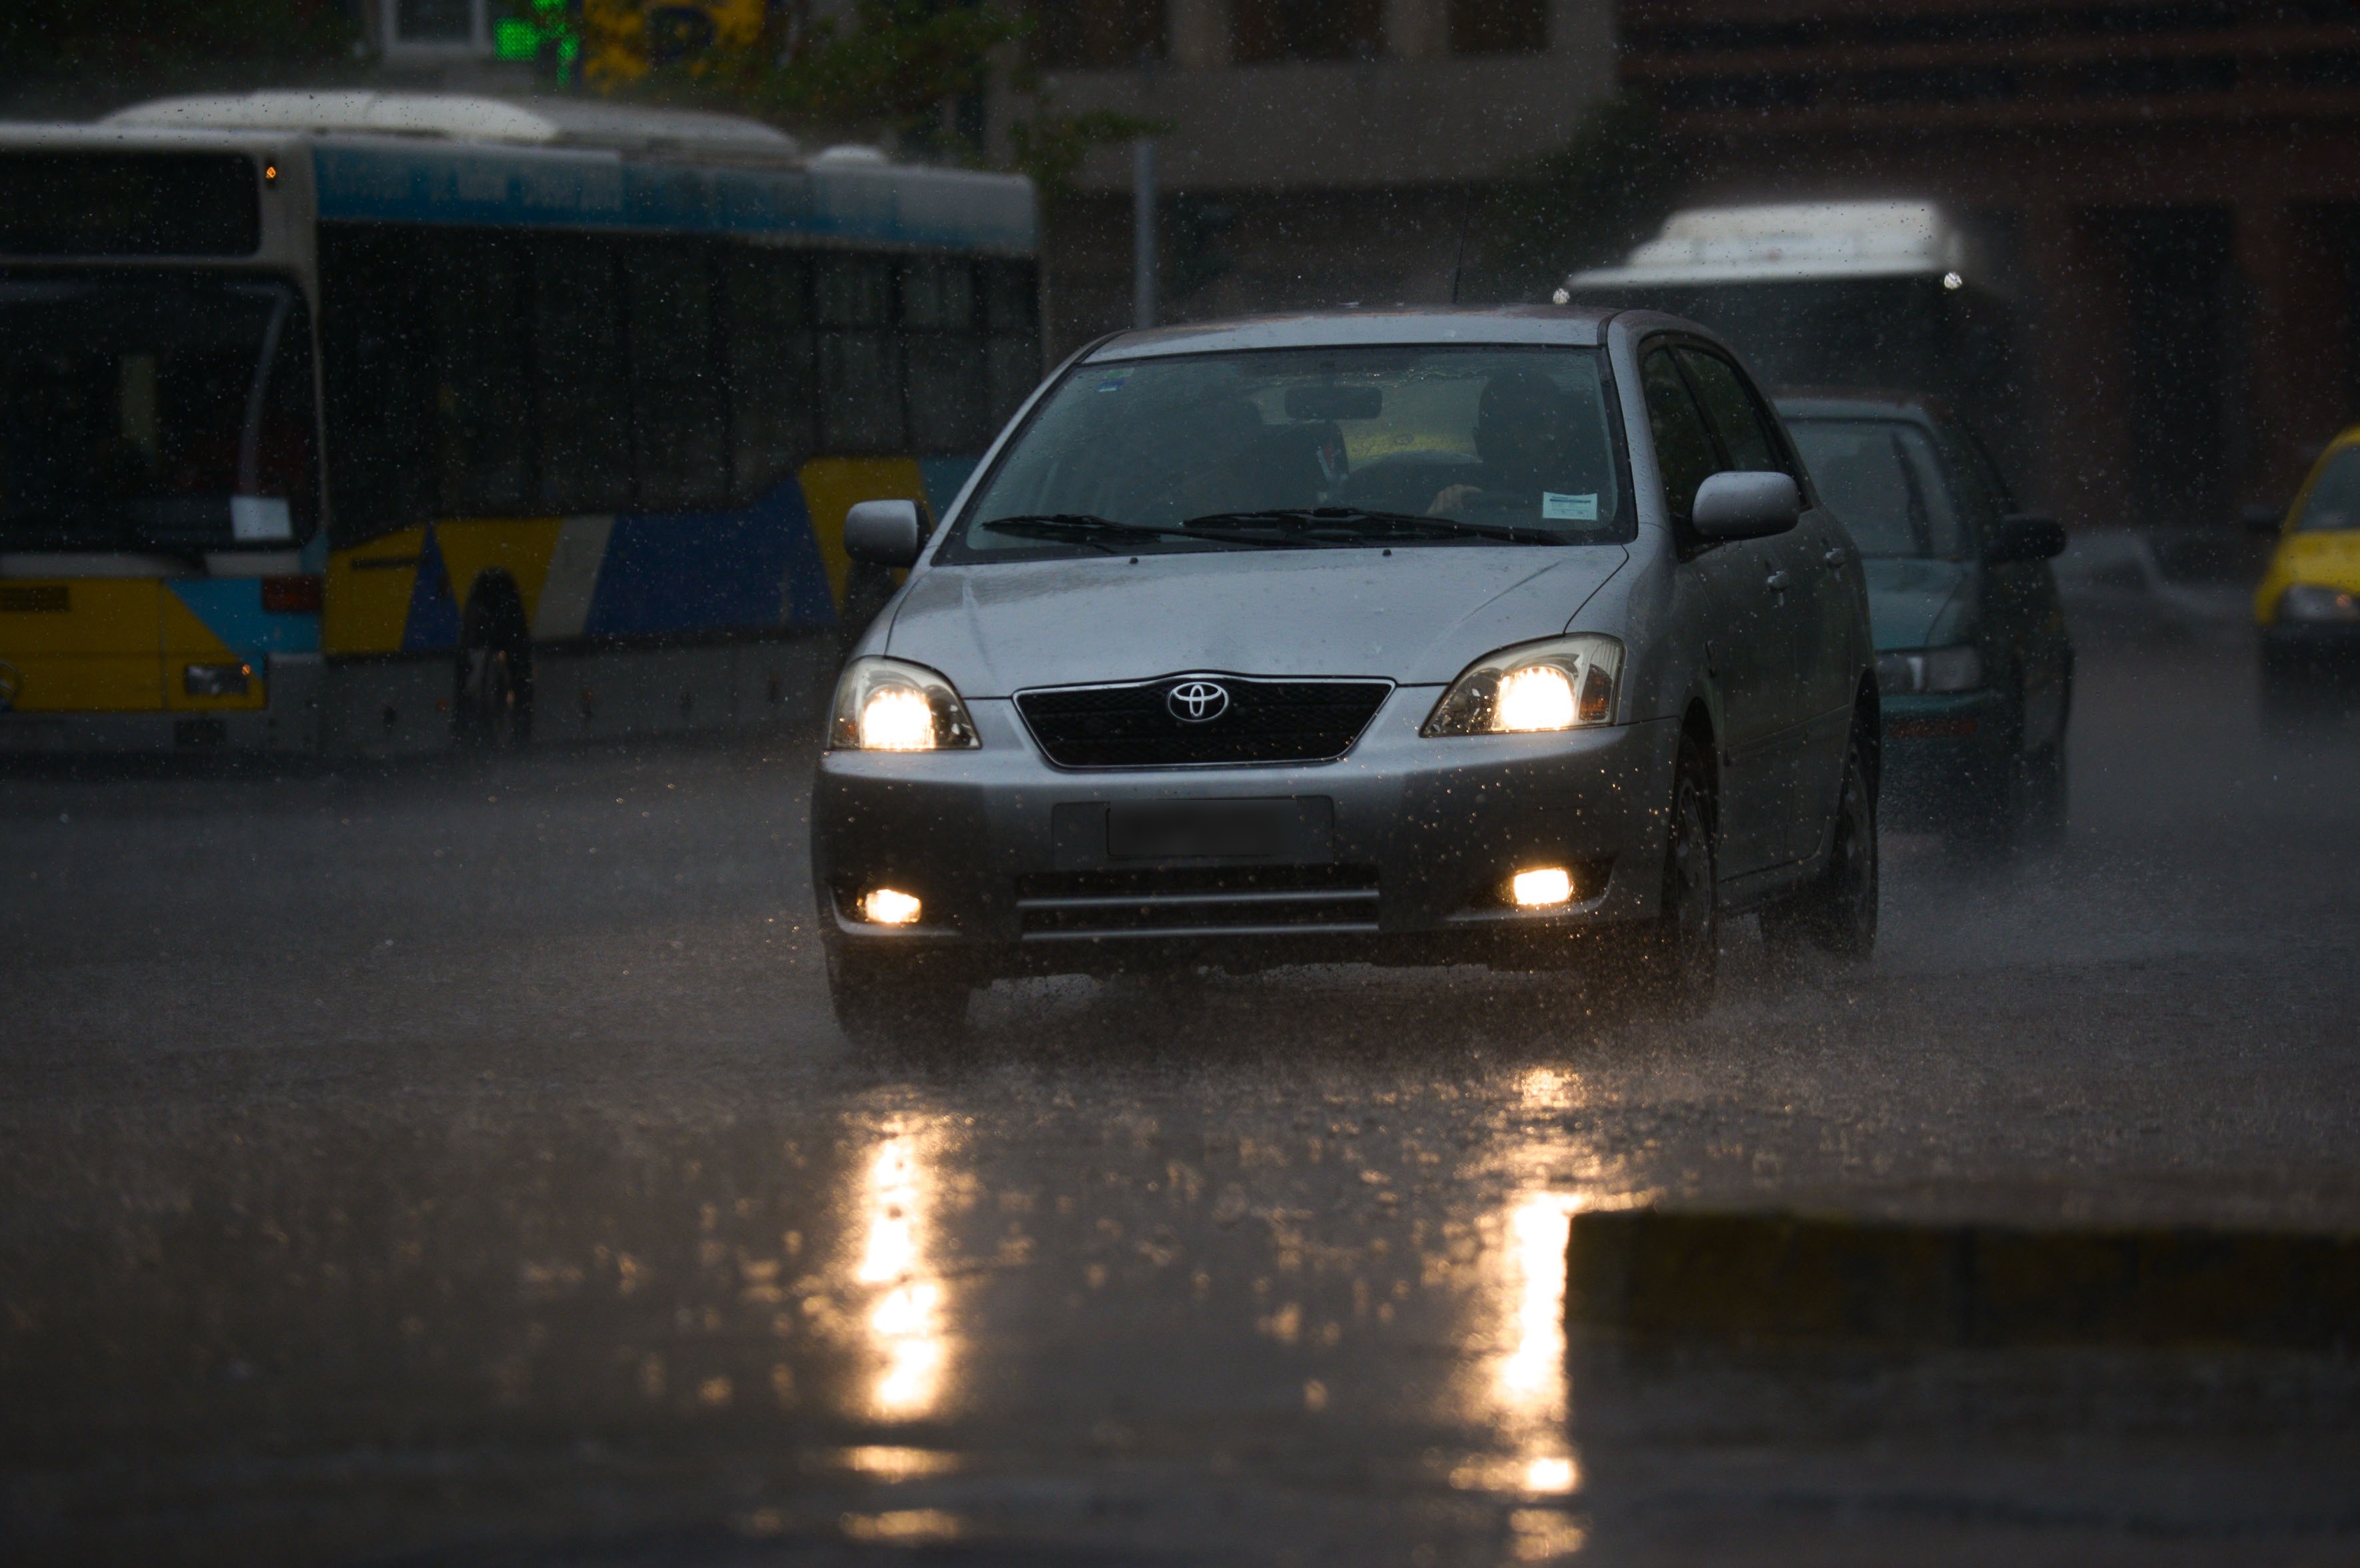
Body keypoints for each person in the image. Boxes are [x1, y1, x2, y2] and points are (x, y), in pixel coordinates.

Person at [1427, 366, 1589, 518]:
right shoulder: (1458, 494)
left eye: (1533, 422)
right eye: (1501, 427)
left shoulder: (1604, 500)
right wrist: (1442, 516)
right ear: (1480, 442)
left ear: (1567, 432)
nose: (1516, 439)